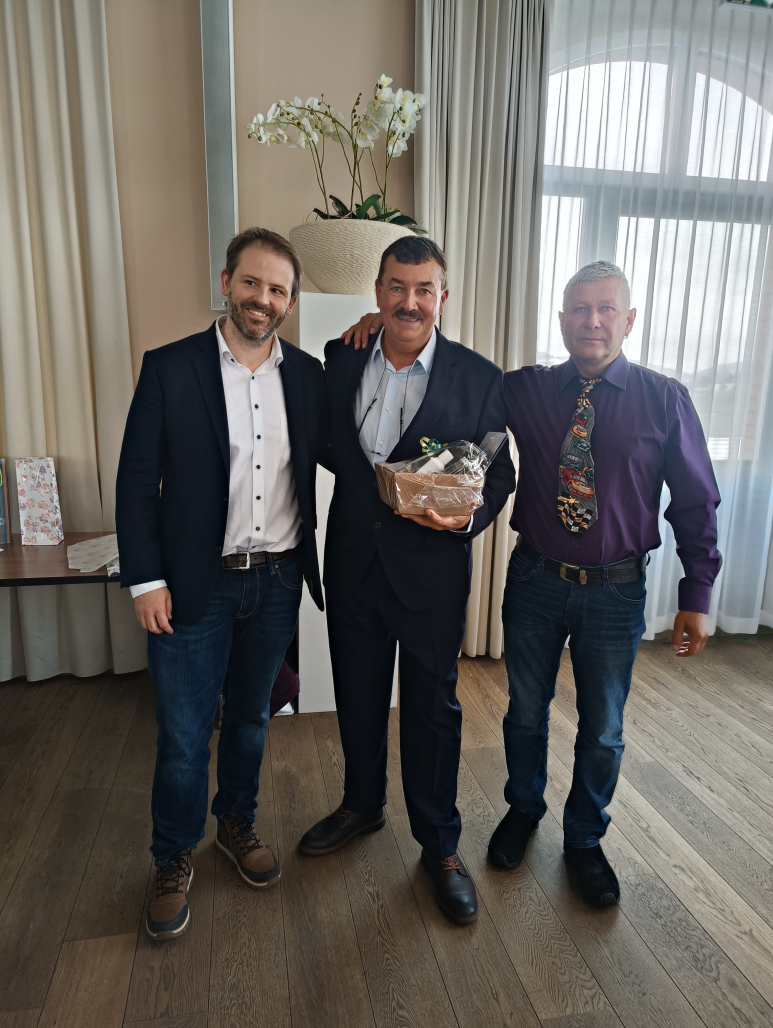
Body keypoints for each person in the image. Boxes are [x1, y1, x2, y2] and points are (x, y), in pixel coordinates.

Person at [340, 259, 721, 908]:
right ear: (562, 319)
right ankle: (523, 809)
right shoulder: (527, 389)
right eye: (579, 309)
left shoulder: (665, 399)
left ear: (629, 320)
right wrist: (387, 322)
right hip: (535, 580)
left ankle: (585, 839)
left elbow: (694, 501)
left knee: (603, 727)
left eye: (605, 309)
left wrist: (698, 594)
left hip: (616, 590)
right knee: (524, 711)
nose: (592, 321)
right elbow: (453, 370)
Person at [299, 236, 515, 926]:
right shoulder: (341, 358)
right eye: (397, 286)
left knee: (431, 710)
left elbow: (498, 471)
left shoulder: (479, 377)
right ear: (378, 292)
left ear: (442, 298)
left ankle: (440, 846)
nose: (410, 301)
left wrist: (463, 519)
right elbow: (330, 448)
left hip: (431, 574)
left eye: (424, 289)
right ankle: (362, 804)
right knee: (358, 695)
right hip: (353, 563)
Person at [116, 227, 324, 940]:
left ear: (290, 302)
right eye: (252, 282)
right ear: (227, 282)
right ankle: (172, 855)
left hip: (278, 580)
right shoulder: (170, 368)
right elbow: (137, 482)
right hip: (192, 586)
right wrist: (145, 580)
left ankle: (236, 822)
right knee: (182, 733)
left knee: (252, 717)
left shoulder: (307, 376)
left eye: (277, 289)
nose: (262, 299)